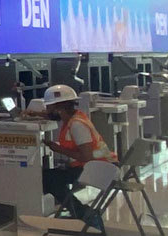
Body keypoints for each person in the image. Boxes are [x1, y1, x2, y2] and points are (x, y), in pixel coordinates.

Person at [27, 84, 118, 221]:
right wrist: (34, 114)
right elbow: (51, 115)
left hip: (98, 168)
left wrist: (59, 149)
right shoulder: (74, 117)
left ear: (59, 109)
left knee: (47, 178)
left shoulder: (76, 125)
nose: (47, 110)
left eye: (49, 107)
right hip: (100, 165)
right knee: (51, 176)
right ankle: (77, 210)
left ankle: (81, 213)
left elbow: (86, 157)